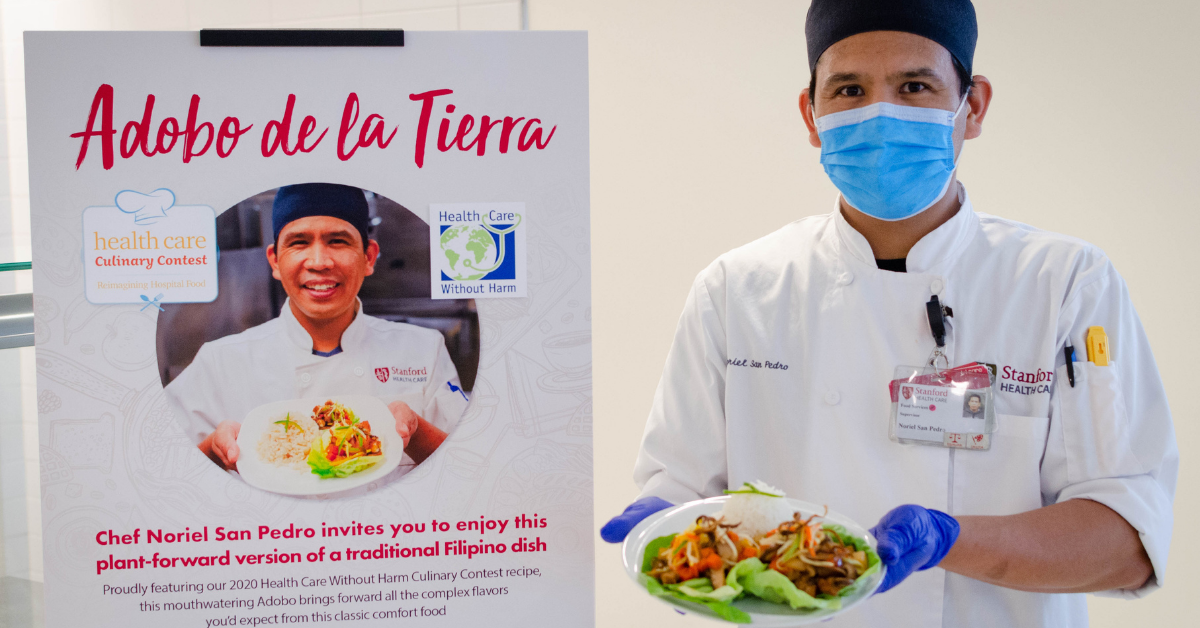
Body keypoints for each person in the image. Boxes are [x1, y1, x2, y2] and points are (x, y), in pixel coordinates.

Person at [600, 1, 1177, 626]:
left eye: (914, 86)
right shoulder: (738, 290)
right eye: (849, 89)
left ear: (973, 106)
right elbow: (682, 495)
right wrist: (661, 516)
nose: (881, 113)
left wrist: (949, 540)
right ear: (812, 115)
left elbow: (1126, 543)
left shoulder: (1062, 284)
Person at [165, 183, 468, 471]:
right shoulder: (218, 362)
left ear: (368, 257)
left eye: (338, 241)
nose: (320, 262)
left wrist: (414, 433)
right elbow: (159, 470)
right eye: (299, 242)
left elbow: (471, 464)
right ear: (274, 261)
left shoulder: (424, 349)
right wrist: (214, 452)